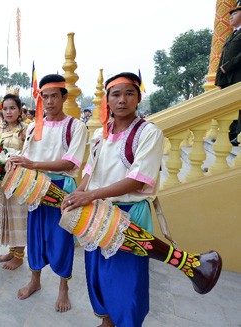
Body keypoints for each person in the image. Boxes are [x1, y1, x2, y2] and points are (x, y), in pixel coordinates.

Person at [63, 72, 163, 326]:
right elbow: (89, 170)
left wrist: (91, 195)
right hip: (96, 212)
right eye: (115, 94)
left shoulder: (149, 133)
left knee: (127, 278)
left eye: (129, 93)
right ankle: (107, 320)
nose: (122, 100)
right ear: (107, 100)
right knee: (98, 271)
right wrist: (79, 193)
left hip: (129, 214)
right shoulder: (100, 133)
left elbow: (139, 179)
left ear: (138, 98)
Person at [9, 74, 88, 312]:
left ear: (64, 97)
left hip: (60, 190)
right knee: (35, 236)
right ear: (40, 99)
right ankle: (35, 280)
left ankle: (63, 288)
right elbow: (26, 157)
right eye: (45, 96)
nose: (50, 101)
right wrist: (15, 163)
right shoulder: (35, 126)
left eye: (55, 96)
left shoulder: (76, 126)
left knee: (61, 240)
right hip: (35, 188)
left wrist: (34, 165)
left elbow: (70, 163)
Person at [0, 94, 28, 270]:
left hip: (19, 180)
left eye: (12, 108)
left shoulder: (25, 130)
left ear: (20, 110)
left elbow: (29, 154)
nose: (8, 112)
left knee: (18, 216)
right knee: (6, 215)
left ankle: (19, 256)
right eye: (5, 108)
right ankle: (12, 250)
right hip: (1, 180)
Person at [215, 2, 241, 145]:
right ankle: (228, 135)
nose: (231, 17)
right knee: (229, 107)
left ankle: (238, 135)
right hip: (227, 76)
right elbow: (222, 58)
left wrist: (229, 66)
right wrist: (219, 79)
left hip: (237, 74)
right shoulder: (232, 35)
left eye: (235, 13)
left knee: (238, 107)